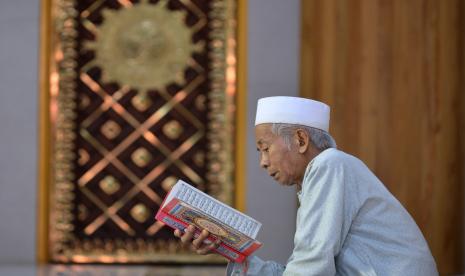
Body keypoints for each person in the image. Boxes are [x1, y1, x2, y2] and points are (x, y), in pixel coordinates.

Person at [174, 96, 438, 275]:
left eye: (265, 148)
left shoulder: (329, 165)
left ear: (300, 139)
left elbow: (311, 267)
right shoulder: (323, 176)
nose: (263, 163)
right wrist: (227, 248)